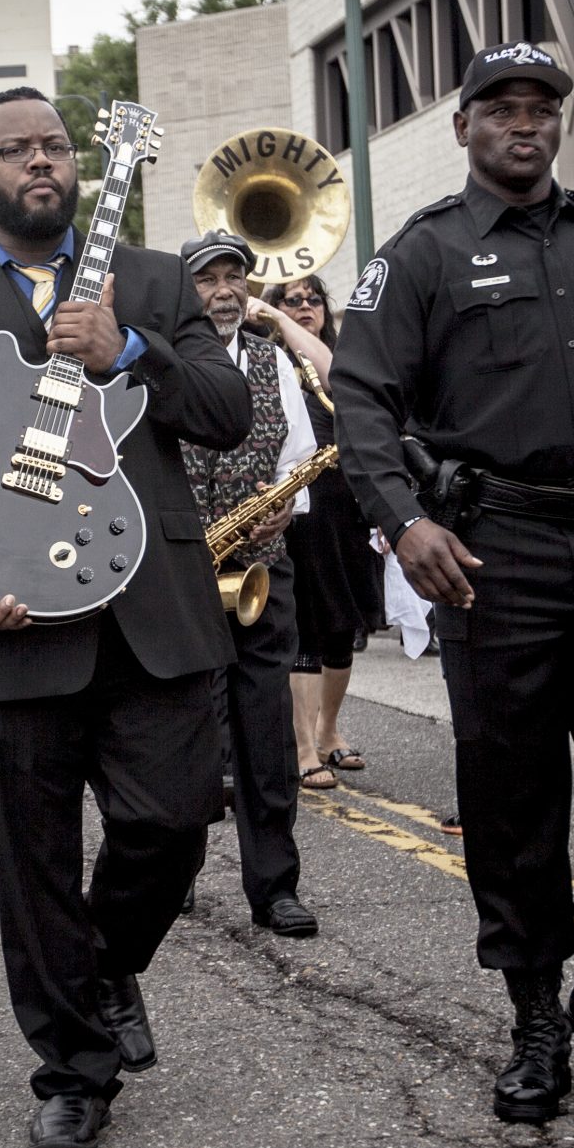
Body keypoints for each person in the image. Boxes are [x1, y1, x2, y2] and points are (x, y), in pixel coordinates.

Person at [330, 42, 574, 1128]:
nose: (524, 124)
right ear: (462, 126)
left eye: (540, 108)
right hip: (490, 554)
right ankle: (535, 1017)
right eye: (500, 108)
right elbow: (360, 395)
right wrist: (402, 520)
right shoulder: (421, 255)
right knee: (513, 796)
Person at [0, 86, 250, 1148]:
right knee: (31, 864)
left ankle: (102, 969)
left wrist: (133, 350)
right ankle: (74, 1067)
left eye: (54, 145)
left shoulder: (158, 279)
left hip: (150, 605)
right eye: (15, 149)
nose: (39, 161)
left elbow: (226, 417)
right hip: (1, 613)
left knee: (173, 821)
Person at [181, 232, 321, 937]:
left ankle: (275, 887)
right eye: (209, 278)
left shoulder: (274, 363)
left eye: (236, 276)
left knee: (266, 734)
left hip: (260, 567)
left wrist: (276, 515)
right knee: (184, 733)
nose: (226, 290)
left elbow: (299, 461)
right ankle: (173, 868)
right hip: (179, 575)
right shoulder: (157, 365)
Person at [261, 274, 363, 789]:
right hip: (299, 506)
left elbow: (344, 381)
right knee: (302, 620)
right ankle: (303, 746)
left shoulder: (334, 357)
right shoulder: (269, 359)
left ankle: (328, 731)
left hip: (345, 503)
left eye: (313, 299)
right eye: (292, 300)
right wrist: (274, 324)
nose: (305, 306)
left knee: (342, 624)